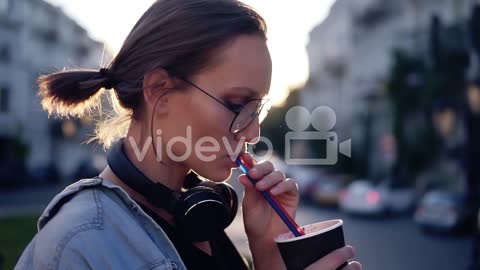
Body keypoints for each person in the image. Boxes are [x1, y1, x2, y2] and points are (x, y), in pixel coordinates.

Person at [15, 1, 362, 269]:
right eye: (237, 103)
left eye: (258, 108)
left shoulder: (197, 219)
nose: (254, 132)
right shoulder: (80, 244)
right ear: (159, 91)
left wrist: (268, 254)